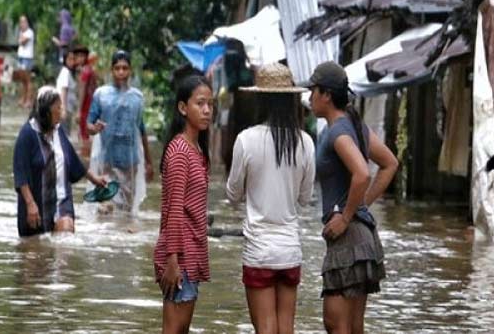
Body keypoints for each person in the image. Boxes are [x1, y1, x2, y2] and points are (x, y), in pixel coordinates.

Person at [303, 61, 398, 334]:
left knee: (335, 324)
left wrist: (346, 216)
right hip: (362, 236)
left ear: (327, 95)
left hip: (349, 238)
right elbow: (390, 163)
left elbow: (362, 174)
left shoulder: (338, 132)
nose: (310, 97)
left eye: (313, 91)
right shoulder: (354, 126)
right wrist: (360, 206)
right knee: (353, 327)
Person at [226, 63, 316, 334]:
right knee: (286, 329)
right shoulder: (305, 142)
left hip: (259, 250)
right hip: (290, 249)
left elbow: (233, 195)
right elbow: (304, 198)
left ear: (260, 99)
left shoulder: (246, 140)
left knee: (265, 329)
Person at [153, 75, 213, 334]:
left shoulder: (196, 149)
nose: (207, 110)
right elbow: (174, 210)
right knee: (175, 329)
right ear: (182, 108)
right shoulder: (180, 151)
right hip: (180, 256)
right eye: (200, 103)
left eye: (210, 104)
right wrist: (172, 260)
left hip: (190, 252)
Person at [12, 86, 108, 236]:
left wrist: (95, 179)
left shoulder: (58, 131)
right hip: (36, 204)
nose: (61, 111)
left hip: (62, 200)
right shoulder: (27, 135)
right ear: (46, 111)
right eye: (58, 107)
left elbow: (73, 159)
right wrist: (30, 204)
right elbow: (20, 174)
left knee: (65, 238)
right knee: (34, 253)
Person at [87, 50, 154, 214]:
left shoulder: (137, 98)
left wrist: (149, 162)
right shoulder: (101, 94)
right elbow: (88, 123)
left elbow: (141, 130)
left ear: (130, 70)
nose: (121, 72)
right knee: (105, 207)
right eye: (117, 68)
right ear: (112, 70)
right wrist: (94, 128)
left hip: (130, 163)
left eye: (125, 68)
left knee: (126, 210)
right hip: (107, 161)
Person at [78, 51, 98, 156]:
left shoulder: (86, 71)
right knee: (88, 133)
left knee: (84, 134)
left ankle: (85, 159)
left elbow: (83, 91)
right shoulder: (93, 72)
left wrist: (78, 109)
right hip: (92, 106)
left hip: (86, 106)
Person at [56, 47, 79, 135]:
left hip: (69, 109)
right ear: (65, 60)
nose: (72, 61)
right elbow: (63, 91)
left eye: (74, 59)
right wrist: (63, 109)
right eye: (70, 59)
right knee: (64, 134)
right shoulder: (65, 72)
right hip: (64, 108)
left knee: (66, 133)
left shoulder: (70, 73)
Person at [16, 15, 35, 108]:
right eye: (21, 22)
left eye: (24, 22)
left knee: (28, 80)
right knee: (22, 80)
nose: (22, 24)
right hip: (21, 56)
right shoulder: (21, 32)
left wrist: (20, 39)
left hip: (27, 57)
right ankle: (23, 98)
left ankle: (29, 100)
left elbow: (22, 42)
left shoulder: (29, 32)